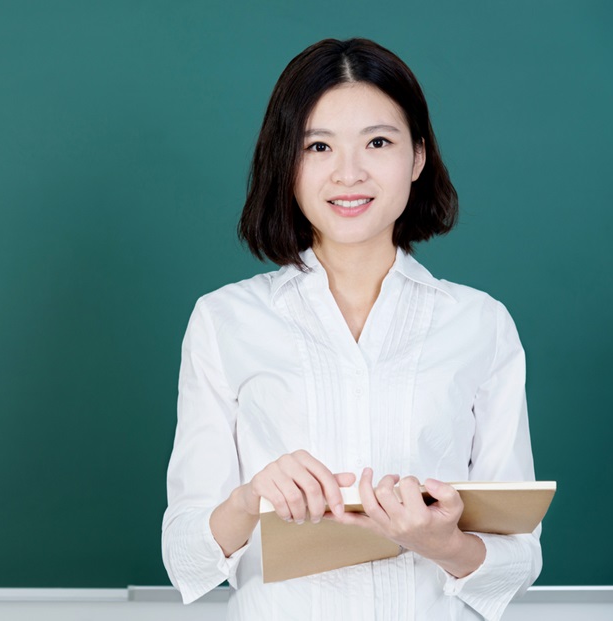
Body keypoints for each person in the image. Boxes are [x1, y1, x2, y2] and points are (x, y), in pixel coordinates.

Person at [161, 38, 541, 621]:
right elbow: (184, 554)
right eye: (318, 146)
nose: (349, 173)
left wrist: (442, 543)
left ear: (417, 157)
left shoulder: (480, 324)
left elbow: (519, 558)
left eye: (378, 142)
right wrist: (250, 498)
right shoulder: (224, 321)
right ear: (285, 162)